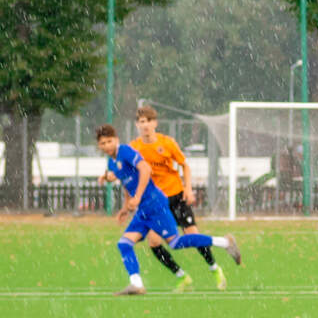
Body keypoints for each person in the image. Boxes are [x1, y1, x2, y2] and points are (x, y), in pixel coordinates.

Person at [95, 124, 240, 295]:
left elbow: (145, 169)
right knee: (124, 244)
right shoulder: (112, 162)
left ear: (116, 140)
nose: (107, 145)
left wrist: (138, 196)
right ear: (99, 145)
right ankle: (136, 284)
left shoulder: (125, 151)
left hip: (155, 204)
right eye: (103, 143)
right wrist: (126, 206)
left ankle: (225, 242)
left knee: (175, 243)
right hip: (143, 210)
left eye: (109, 141)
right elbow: (123, 179)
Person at [131, 105, 227, 291]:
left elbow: (185, 165)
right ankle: (182, 276)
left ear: (155, 123)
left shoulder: (167, 143)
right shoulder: (134, 147)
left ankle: (215, 269)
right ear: (137, 125)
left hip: (176, 197)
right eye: (142, 122)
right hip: (156, 204)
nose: (145, 125)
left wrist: (188, 189)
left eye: (149, 121)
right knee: (154, 242)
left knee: (193, 236)